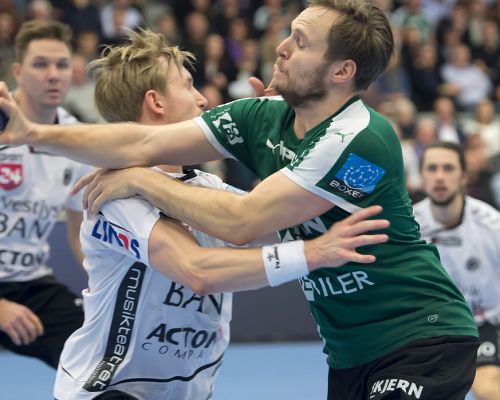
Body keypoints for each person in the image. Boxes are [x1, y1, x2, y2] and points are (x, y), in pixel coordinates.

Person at [0, 1, 480, 398]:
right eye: (288, 34)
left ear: (341, 70)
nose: (281, 46)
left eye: (300, 41)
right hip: (348, 352)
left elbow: (243, 221)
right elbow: (143, 146)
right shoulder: (263, 119)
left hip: (421, 332)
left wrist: (143, 180)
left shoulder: (361, 140)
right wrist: (35, 133)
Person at [54, 29, 390, 400]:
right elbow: (198, 271)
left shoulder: (205, 188)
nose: (203, 99)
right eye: (188, 85)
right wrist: (311, 254)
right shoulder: (115, 193)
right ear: (156, 102)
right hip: (109, 388)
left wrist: (285, 137)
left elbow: (276, 222)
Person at [0, 20, 90, 368]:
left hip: (31, 285)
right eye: (41, 64)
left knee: (99, 359)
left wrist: (106, 289)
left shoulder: (76, 140)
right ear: (18, 72)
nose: (53, 75)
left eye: (62, 65)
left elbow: (79, 236)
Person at [413, 141, 500, 400]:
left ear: (464, 176)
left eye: (448, 168)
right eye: (432, 168)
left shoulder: (492, 226)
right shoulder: (408, 227)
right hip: (432, 328)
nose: (439, 176)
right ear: (422, 176)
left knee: (486, 388)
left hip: (485, 323)